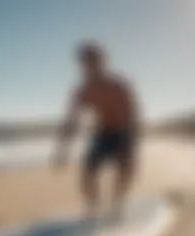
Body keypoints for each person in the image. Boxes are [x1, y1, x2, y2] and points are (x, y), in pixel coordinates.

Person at [53, 41, 141, 219]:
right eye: (85, 63)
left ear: (102, 62)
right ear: (81, 65)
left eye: (94, 61)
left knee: (125, 170)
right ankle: (93, 210)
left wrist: (133, 144)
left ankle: (117, 206)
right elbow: (71, 122)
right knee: (87, 172)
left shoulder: (118, 85)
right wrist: (62, 150)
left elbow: (134, 113)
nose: (89, 67)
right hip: (103, 132)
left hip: (124, 131)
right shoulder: (82, 91)